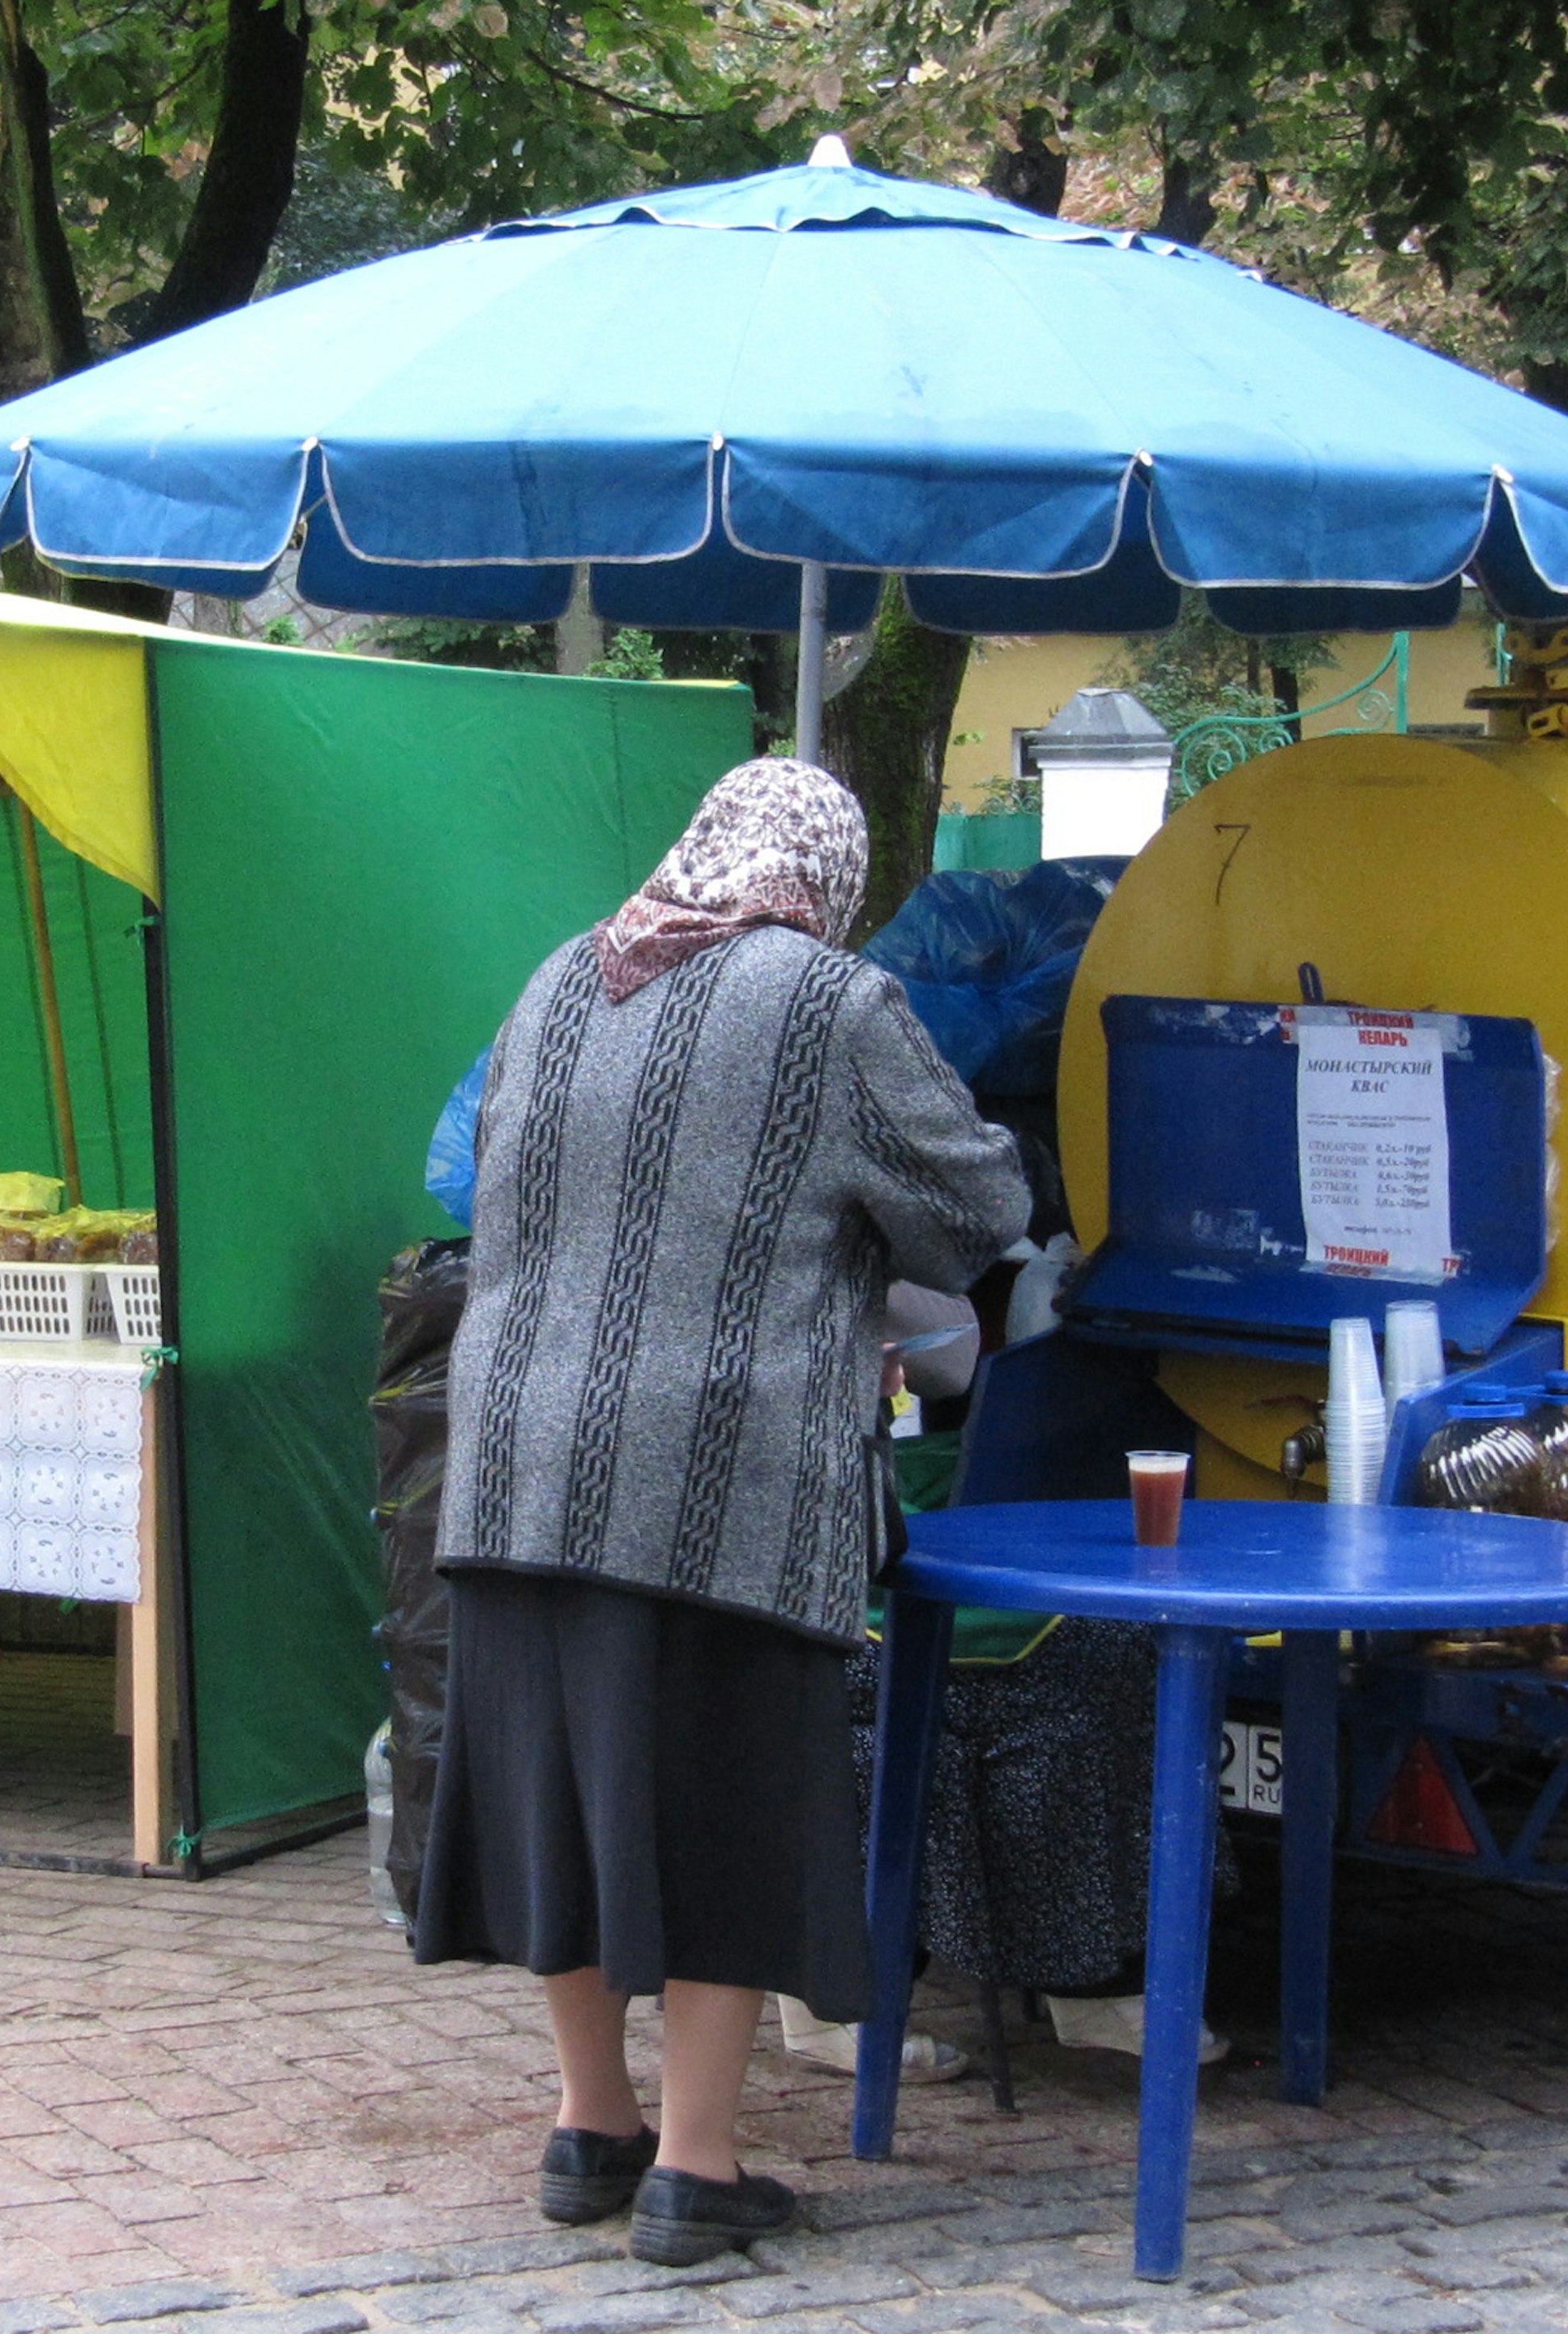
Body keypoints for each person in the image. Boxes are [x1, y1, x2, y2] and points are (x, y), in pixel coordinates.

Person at [414, 758, 1029, 2268]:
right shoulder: (830, 1004)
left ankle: (589, 2124)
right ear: (827, 881)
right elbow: (978, 1221)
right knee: (722, 1811)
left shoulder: (560, 976)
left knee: (558, 1801)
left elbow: (493, 1186)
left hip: (508, 1466)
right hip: (714, 1482)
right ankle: (696, 2164)